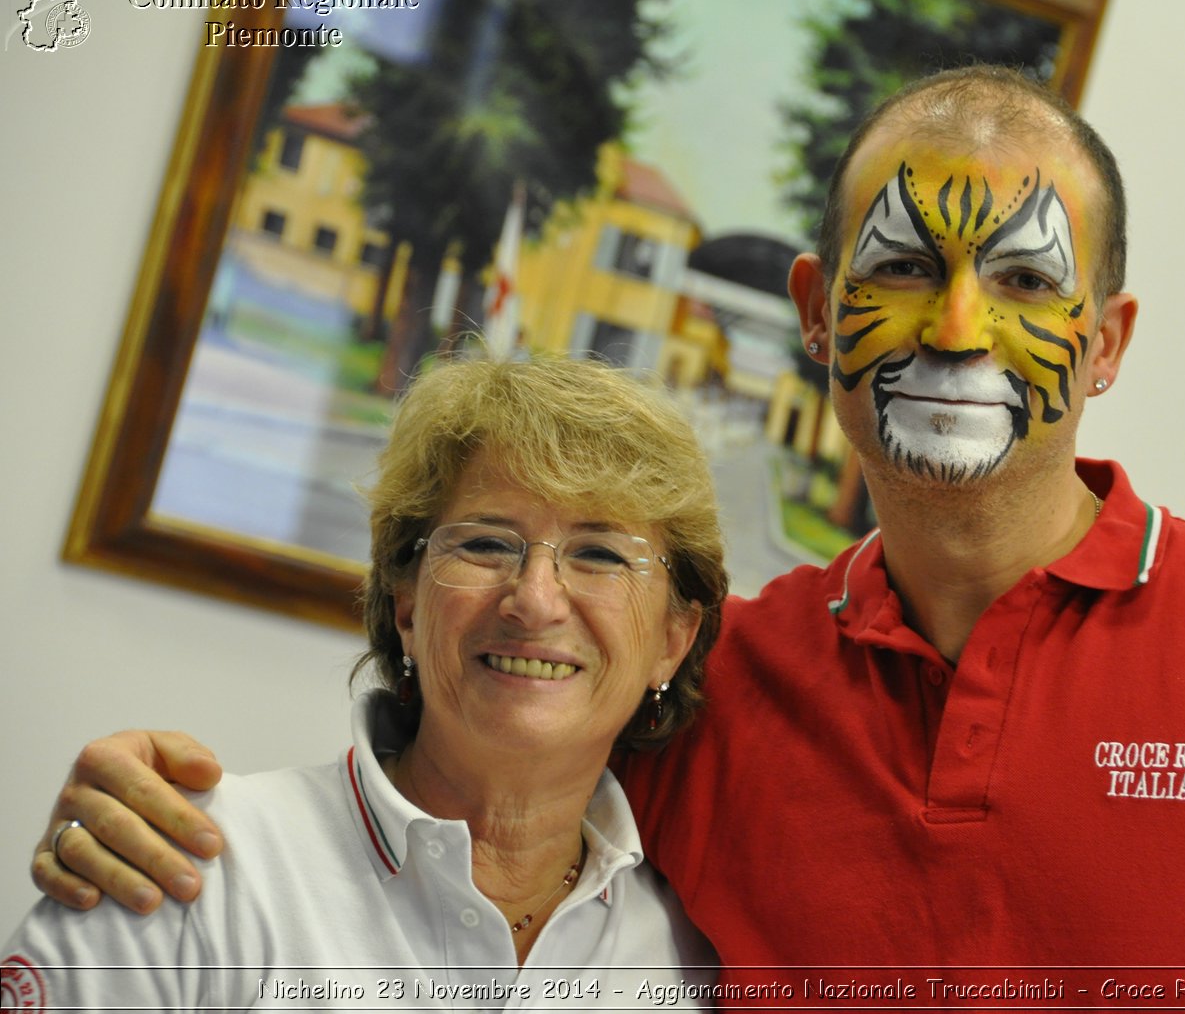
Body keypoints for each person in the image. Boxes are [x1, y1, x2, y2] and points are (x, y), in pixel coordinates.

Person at [26, 67, 1185, 1010]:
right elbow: (463, 796)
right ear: (813, 314)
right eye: (905, 265)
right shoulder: (711, 688)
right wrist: (148, 813)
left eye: (1032, 288)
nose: (964, 329)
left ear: (1109, 341)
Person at [6, 356, 723, 1009]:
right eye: (484, 542)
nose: (534, 598)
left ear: (672, 639)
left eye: (598, 553)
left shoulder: (692, 960)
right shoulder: (187, 859)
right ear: (405, 602)